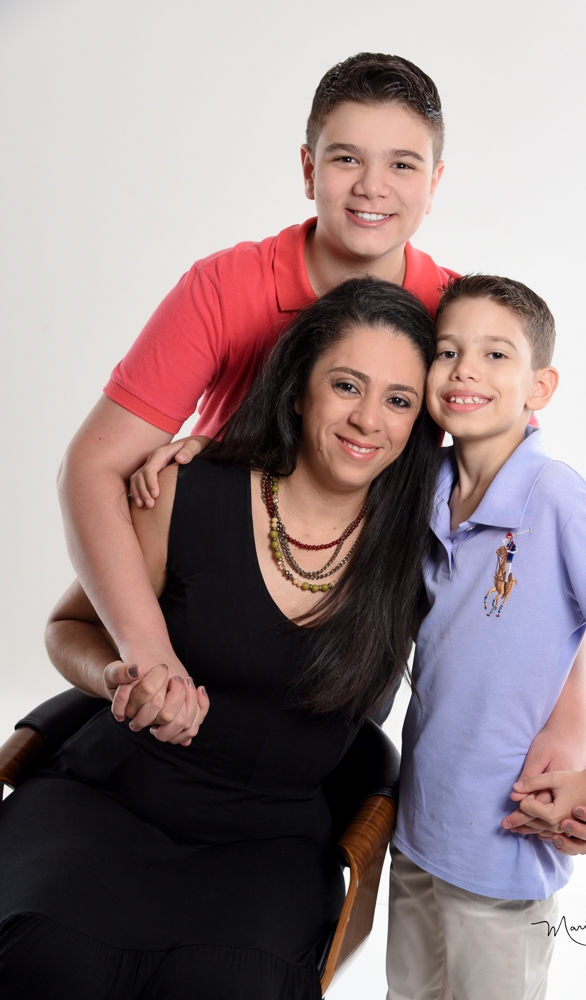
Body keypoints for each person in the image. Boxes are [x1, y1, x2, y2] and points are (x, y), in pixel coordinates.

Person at [58, 48, 586, 849]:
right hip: (212, 596)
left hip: (351, 623)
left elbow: (519, 521)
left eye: (402, 164)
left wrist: (568, 725)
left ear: (435, 182)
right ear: (307, 168)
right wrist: (149, 651)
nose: (371, 187)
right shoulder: (225, 287)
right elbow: (92, 465)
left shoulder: (456, 320)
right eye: (347, 158)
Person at [0, 278, 442, 999]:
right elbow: (68, 626)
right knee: (48, 958)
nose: (368, 419)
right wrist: (119, 675)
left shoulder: (427, 551)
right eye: (346, 385)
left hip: (272, 845)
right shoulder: (185, 491)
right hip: (108, 802)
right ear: (298, 389)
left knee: (234, 985)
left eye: (398, 400)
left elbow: (528, 609)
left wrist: (573, 747)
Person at [386, 275, 586, 1000]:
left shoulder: (557, 496)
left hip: (507, 839)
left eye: (496, 354)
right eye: (447, 352)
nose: (465, 370)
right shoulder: (427, 485)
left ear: (540, 387)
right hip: (419, 828)